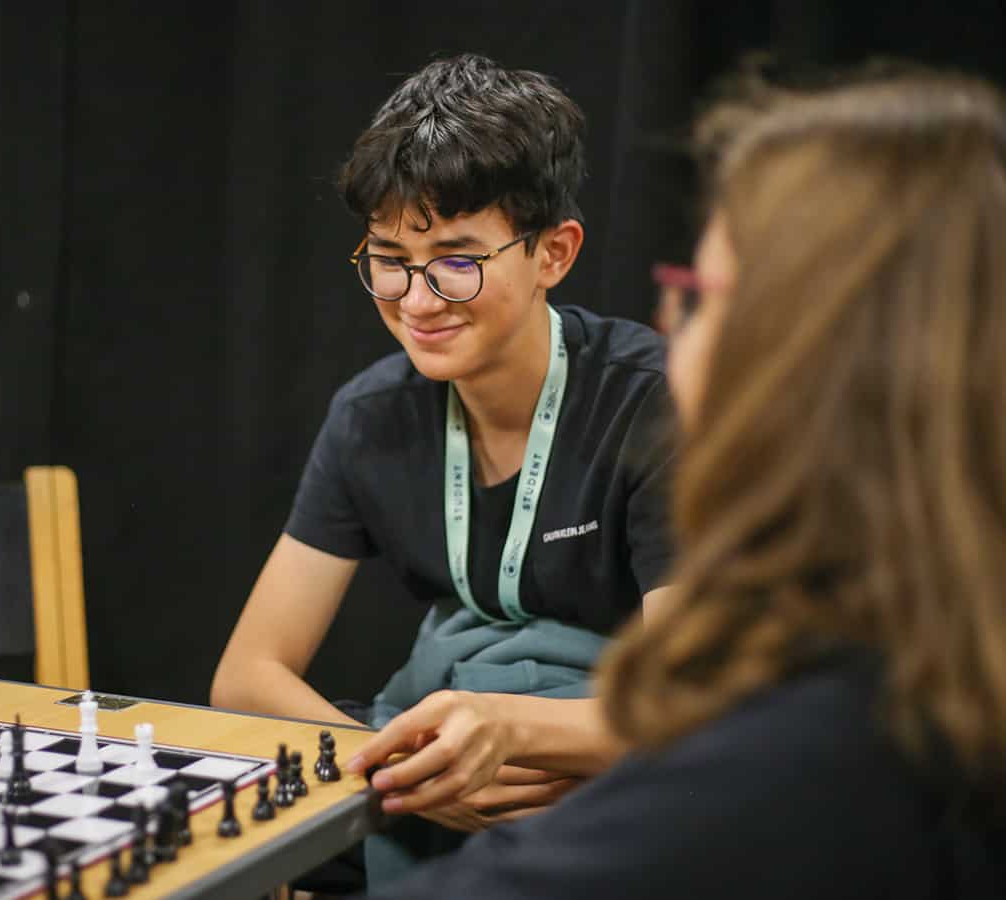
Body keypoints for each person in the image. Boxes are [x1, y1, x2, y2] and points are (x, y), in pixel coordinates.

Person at [353, 69, 1006, 899]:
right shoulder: (938, 666)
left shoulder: (793, 747)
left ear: (809, 360)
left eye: (698, 302)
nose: (672, 337)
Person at [211, 54, 675, 884]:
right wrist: (407, 770)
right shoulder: (370, 415)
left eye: (458, 260)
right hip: (426, 755)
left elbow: (691, 706)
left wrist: (507, 733)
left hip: (607, 772)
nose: (417, 301)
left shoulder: (651, 405)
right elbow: (247, 678)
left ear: (554, 254)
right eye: (389, 258)